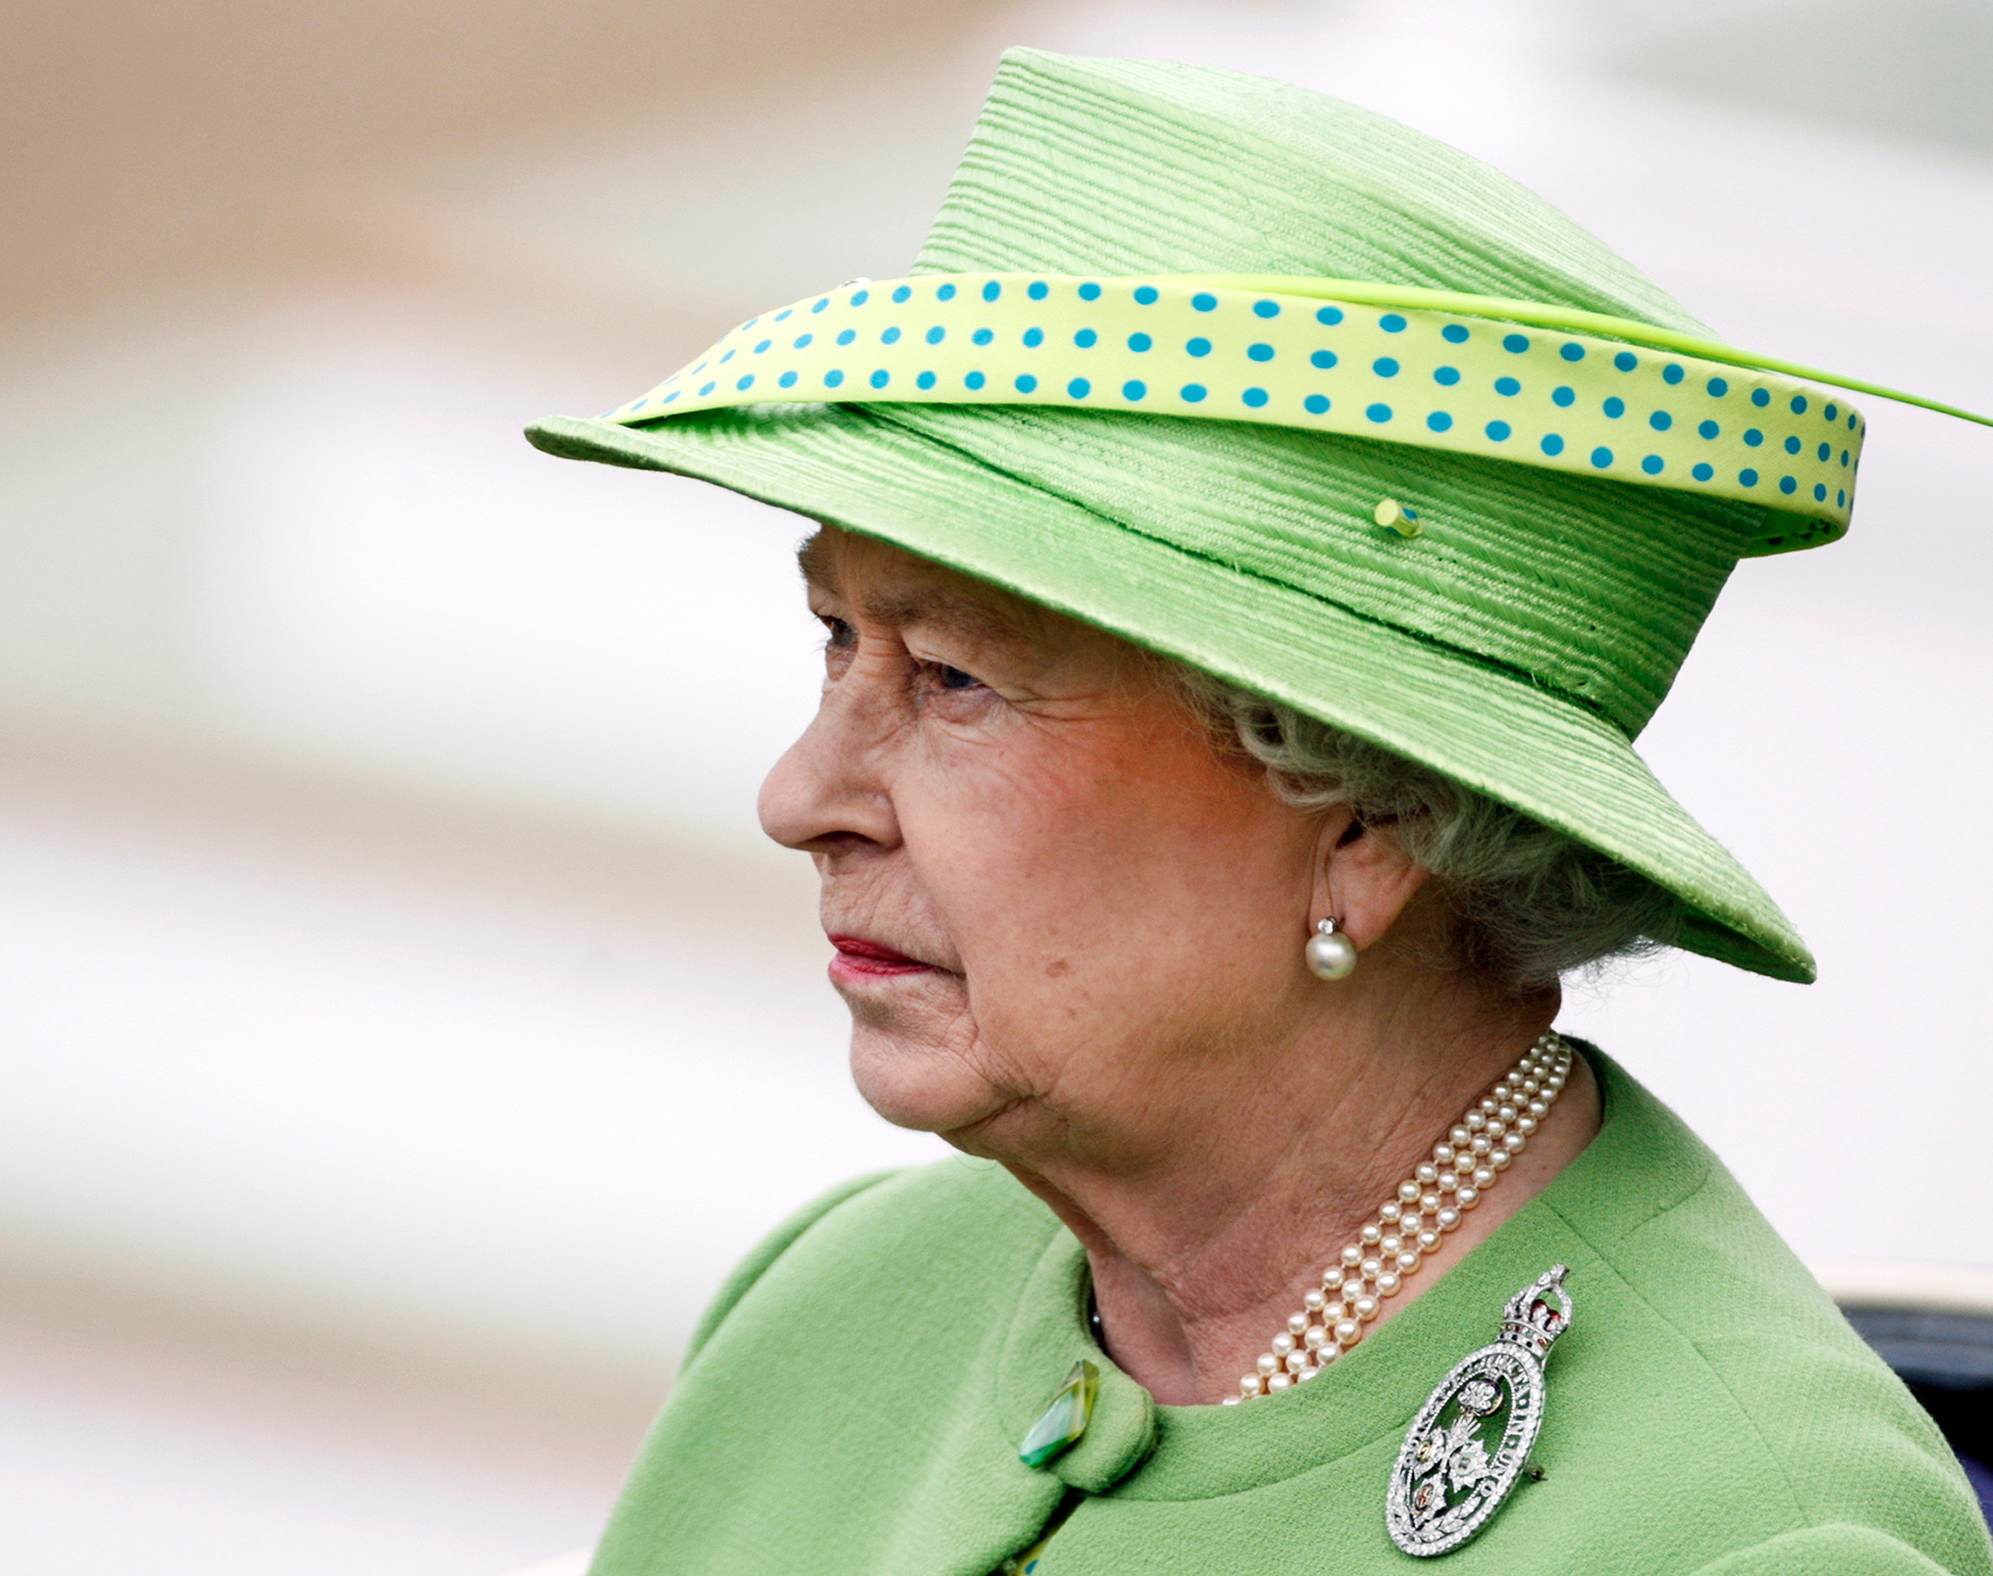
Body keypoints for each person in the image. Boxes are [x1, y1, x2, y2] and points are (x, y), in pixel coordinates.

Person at [525, 48, 1993, 1575]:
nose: (798, 797)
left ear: (1371, 818)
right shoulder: (836, 1305)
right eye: (837, 639)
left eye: (953, 680)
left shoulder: (1751, 1534)